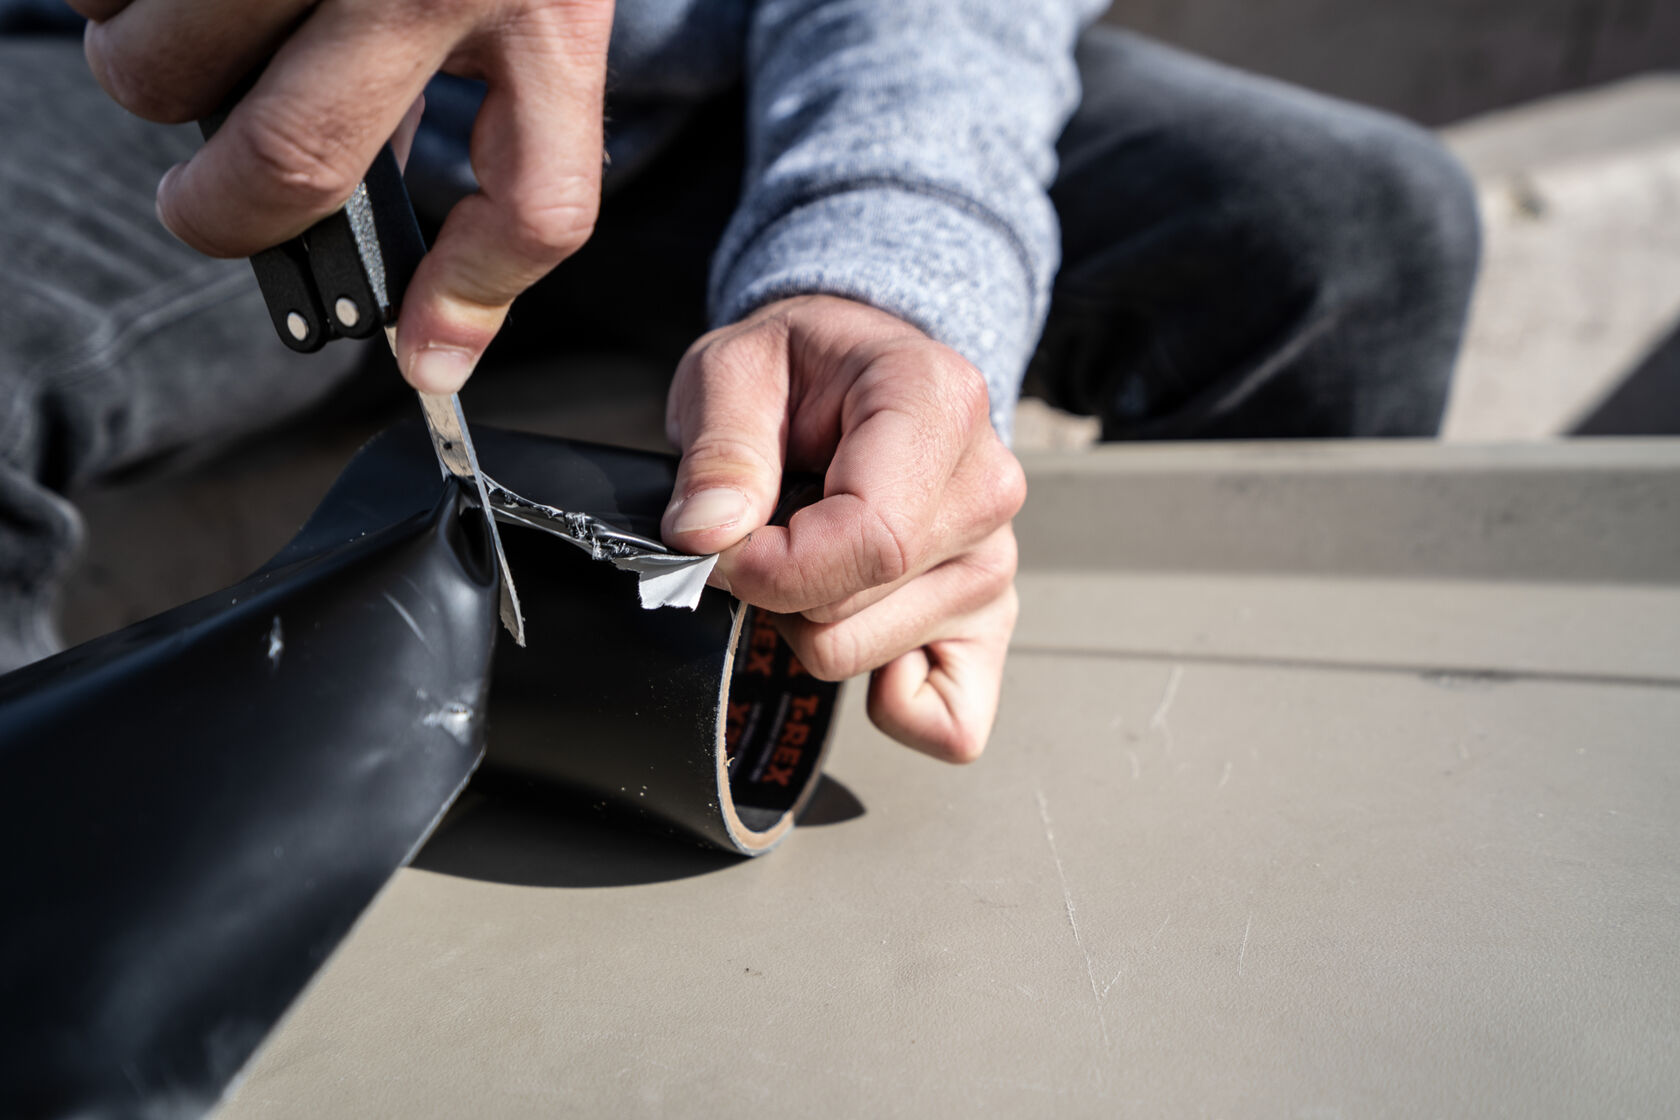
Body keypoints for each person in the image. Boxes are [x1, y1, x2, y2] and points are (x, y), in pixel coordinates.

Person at [0, 0, 1480, 760]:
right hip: (158, 82)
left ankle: (1189, 787)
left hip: (740, 75)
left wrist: (888, 254)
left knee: (1347, 226)